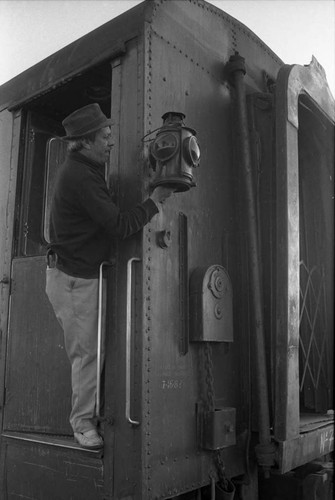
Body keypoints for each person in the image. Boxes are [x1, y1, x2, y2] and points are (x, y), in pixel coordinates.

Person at [45, 103, 174, 450]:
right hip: (74, 278)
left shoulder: (84, 171)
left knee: (91, 352)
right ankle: (82, 423)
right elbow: (118, 225)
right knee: (87, 353)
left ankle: (87, 416)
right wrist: (155, 201)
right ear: (85, 142)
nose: (110, 142)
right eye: (104, 136)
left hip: (81, 274)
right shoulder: (80, 177)